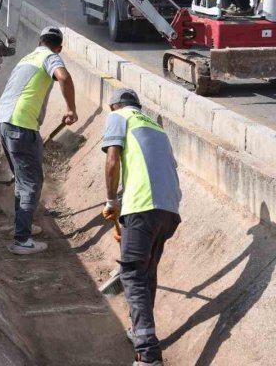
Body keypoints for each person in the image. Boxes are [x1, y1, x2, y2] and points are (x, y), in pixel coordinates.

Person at [101, 88, 181, 366]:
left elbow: (112, 160)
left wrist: (111, 200)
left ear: (114, 105)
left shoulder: (118, 116)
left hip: (143, 207)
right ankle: (139, 332)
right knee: (146, 275)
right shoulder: (155, 127)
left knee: (133, 277)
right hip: (169, 209)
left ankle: (147, 354)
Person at [0, 26, 78, 255]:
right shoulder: (50, 57)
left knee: (23, 181)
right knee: (32, 182)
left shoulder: (26, 58)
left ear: (39, 41)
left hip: (3, 121)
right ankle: (22, 240)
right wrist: (71, 109)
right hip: (21, 125)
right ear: (59, 48)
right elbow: (64, 77)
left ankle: (23, 226)